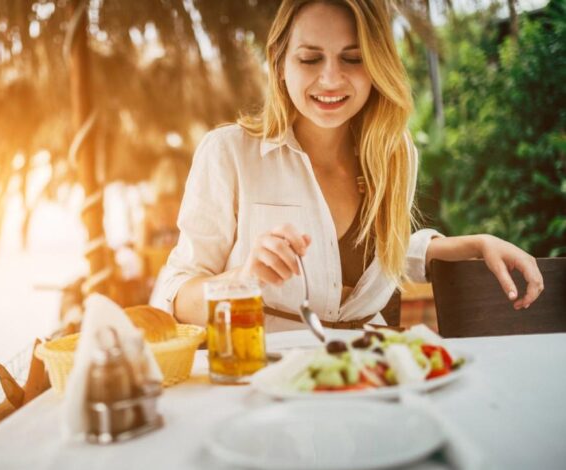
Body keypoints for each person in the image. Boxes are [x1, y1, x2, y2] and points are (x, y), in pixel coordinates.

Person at [151, 0, 544, 332]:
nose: (330, 79)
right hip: (265, 384)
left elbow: (380, 254)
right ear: (279, 62)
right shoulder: (228, 153)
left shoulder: (393, 151)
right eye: (309, 58)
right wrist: (244, 279)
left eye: (353, 58)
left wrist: (475, 244)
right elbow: (175, 296)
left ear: (377, 65)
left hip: (369, 375)